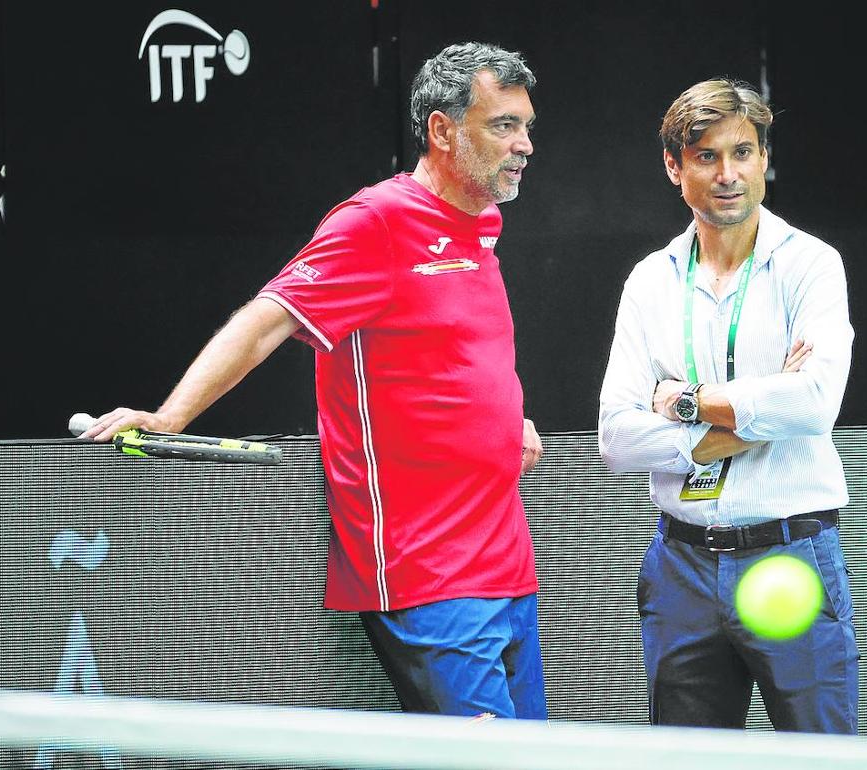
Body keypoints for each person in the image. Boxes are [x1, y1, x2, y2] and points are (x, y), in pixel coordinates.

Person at [83, 42, 547, 720]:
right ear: (443, 131)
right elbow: (266, 320)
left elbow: (463, 350)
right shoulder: (374, 222)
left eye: (527, 125)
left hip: (508, 563)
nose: (525, 144)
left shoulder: (483, 225)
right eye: (504, 124)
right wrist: (169, 416)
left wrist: (513, 417)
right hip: (428, 576)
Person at [597, 78, 858, 733]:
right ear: (674, 167)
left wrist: (683, 403)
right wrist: (736, 426)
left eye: (742, 153)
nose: (728, 174)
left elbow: (814, 404)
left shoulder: (811, 266)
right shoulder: (652, 280)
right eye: (707, 157)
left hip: (788, 554)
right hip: (680, 565)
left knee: (821, 759)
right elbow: (617, 440)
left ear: (765, 159)